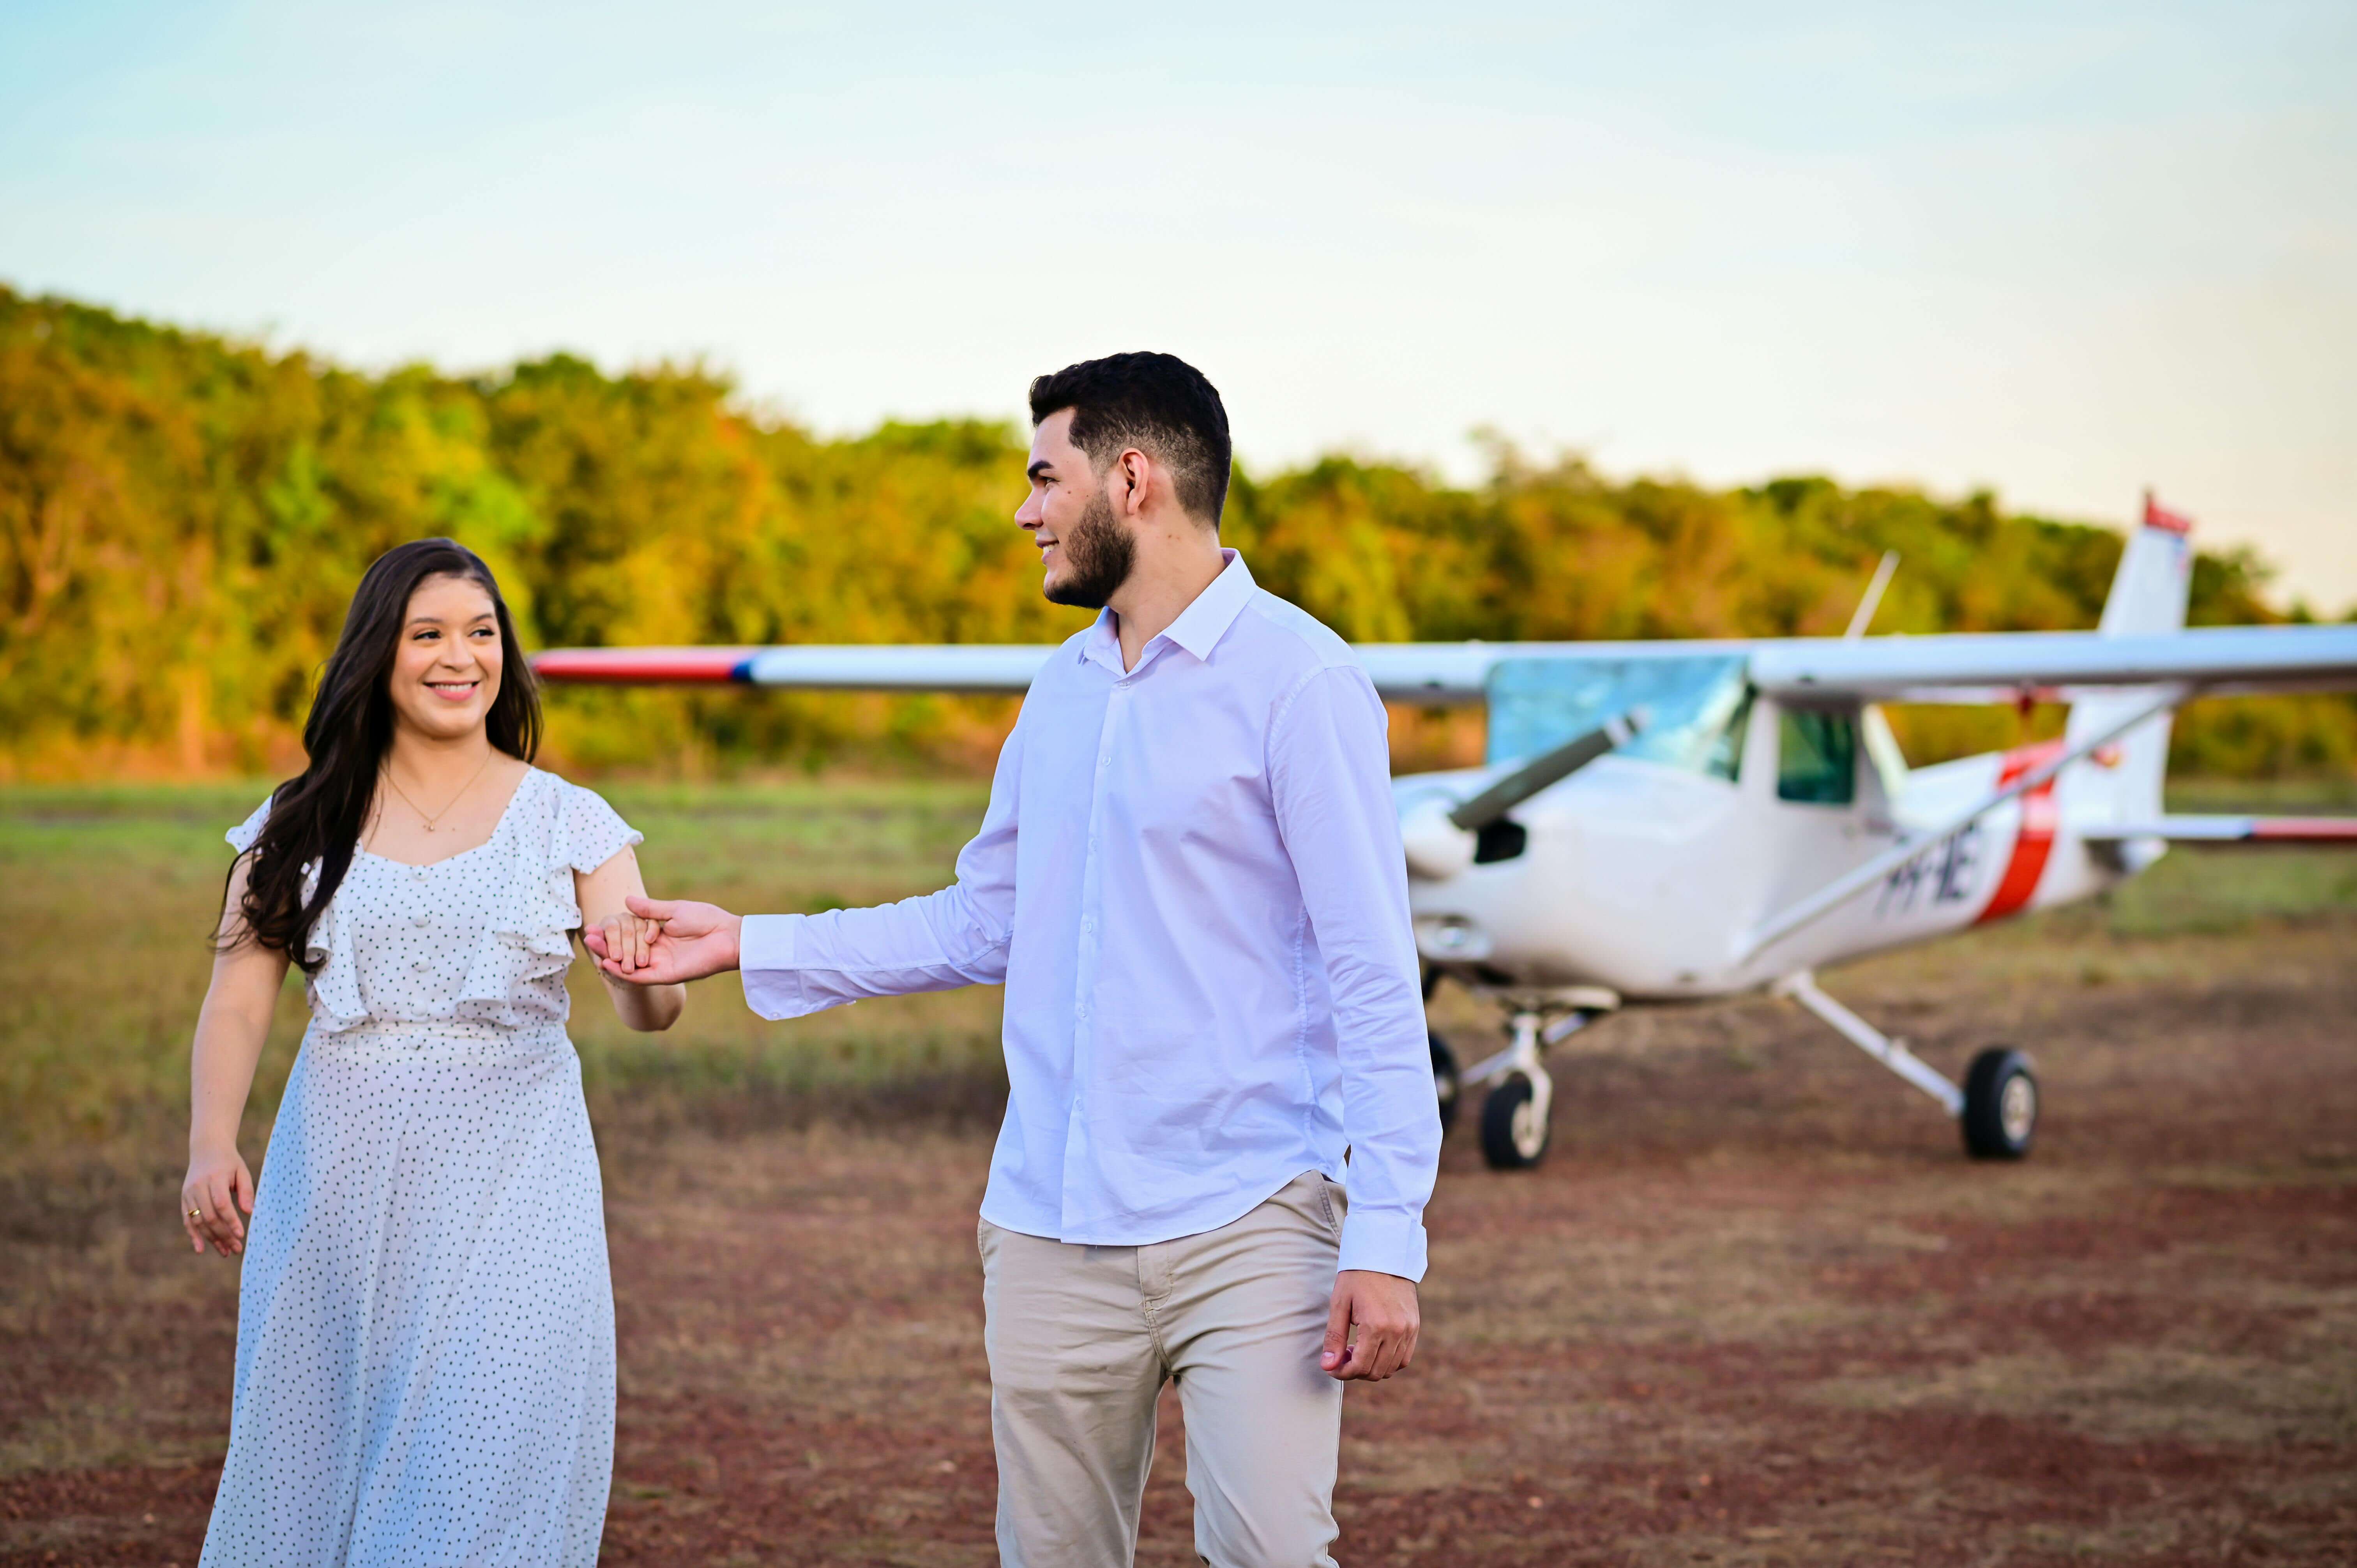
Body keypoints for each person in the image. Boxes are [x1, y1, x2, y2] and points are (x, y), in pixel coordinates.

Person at [589, 353, 1441, 1567]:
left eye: (1046, 478)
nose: (1026, 510)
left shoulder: (1302, 682)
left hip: (1254, 1218)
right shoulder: (1061, 694)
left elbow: (1373, 973)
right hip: (1047, 1227)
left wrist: (1385, 1239)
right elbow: (983, 922)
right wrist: (746, 943)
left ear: (1132, 479)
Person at [181, 538, 682, 1568]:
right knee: (315, 1445)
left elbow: (655, 1006)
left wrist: (637, 975)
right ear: (379, 653)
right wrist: (209, 1143)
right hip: (336, 1182)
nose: (462, 658)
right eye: (430, 635)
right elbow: (237, 998)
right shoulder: (298, 819)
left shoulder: (570, 821)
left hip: (513, 1184)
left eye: (483, 633)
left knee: (484, 1446)